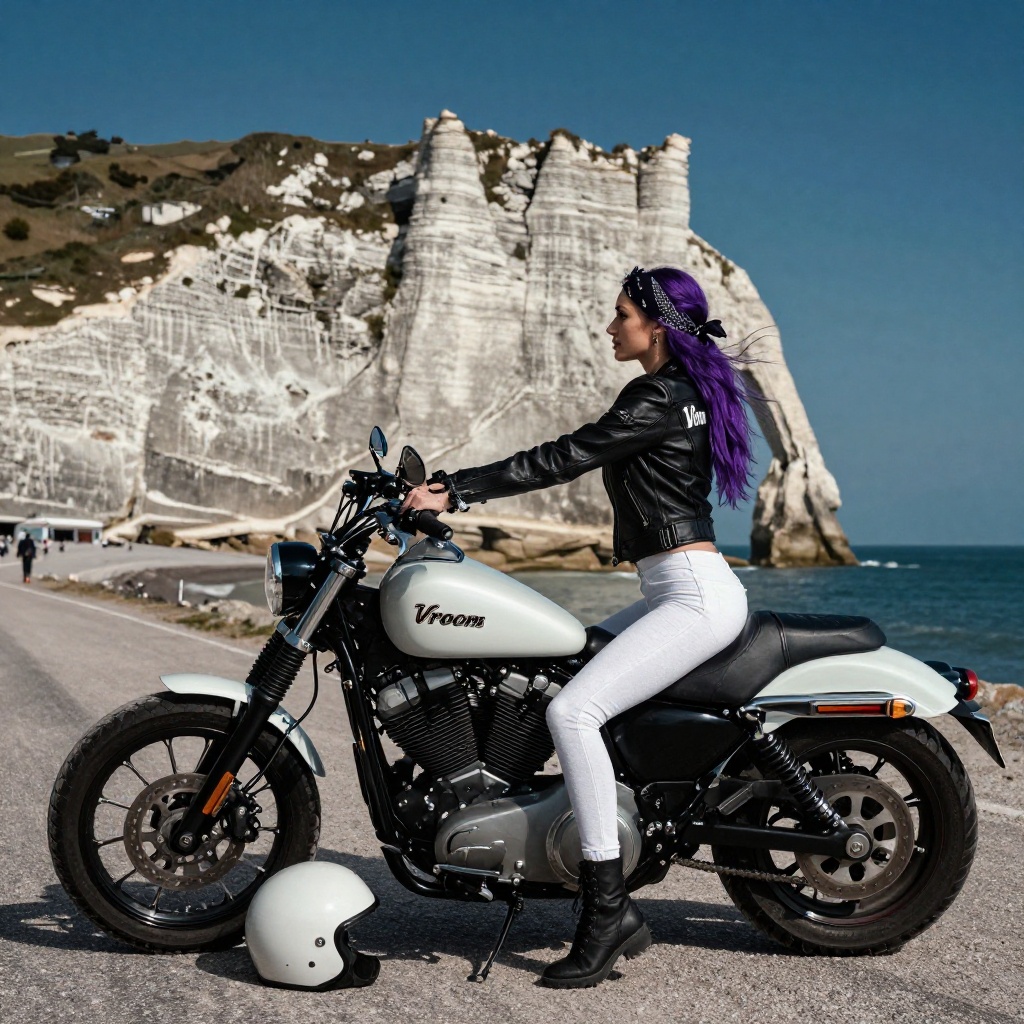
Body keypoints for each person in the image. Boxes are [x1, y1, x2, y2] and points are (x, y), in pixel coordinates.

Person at [402, 266, 758, 988]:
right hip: (681, 587)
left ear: (656, 325)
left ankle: (607, 911)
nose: (611, 326)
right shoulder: (682, 393)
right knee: (563, 667)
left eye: (621, 314)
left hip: (690, 596)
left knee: (573, 711)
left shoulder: (656, 396)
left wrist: (454, 490)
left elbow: (565, 456)